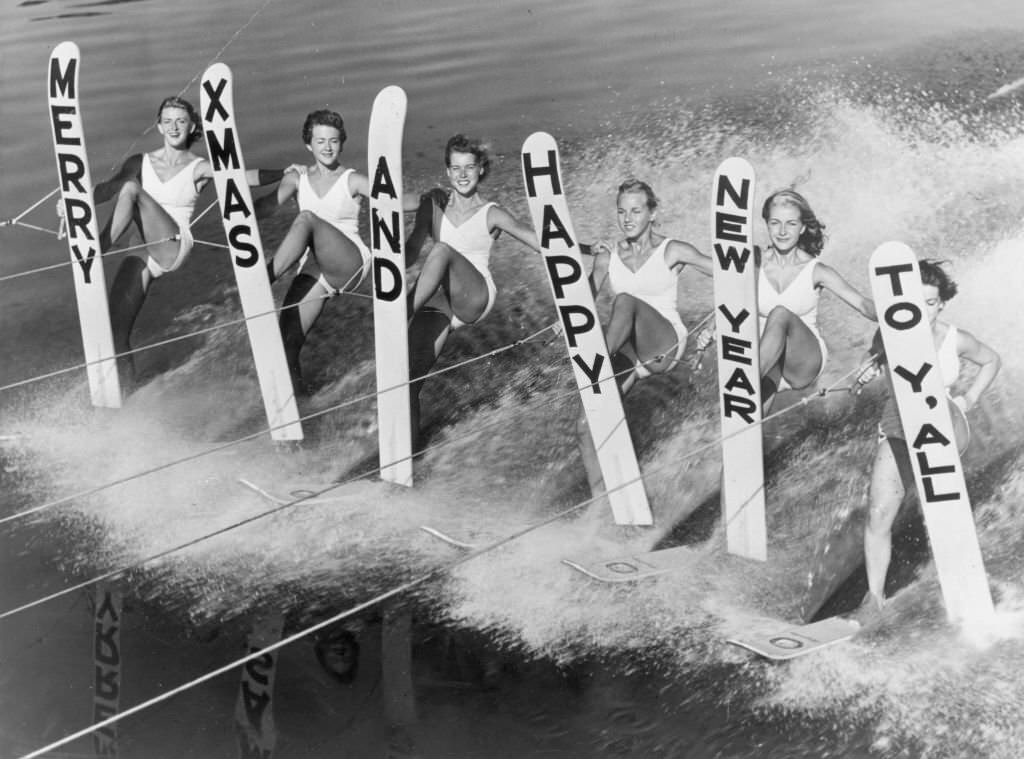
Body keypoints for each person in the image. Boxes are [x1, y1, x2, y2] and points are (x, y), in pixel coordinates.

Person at [59, 96, 290, 391]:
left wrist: (285, 172)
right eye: (167, 121)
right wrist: (72, 201)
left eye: (181, 121)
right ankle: (124, 396)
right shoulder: (139, 162)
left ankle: (97, 247)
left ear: (192, 125)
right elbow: (107, 190)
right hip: (142, 249)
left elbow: (244, 177)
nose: (174, 127)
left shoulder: (199, 167)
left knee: (132, 190)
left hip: (173, 244)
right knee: (115, 331)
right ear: (158, 126)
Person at [858, 259, 1000, 614]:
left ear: (942, 303)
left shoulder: (956, 339)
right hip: (899, 428)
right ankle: (873, 598)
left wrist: (969, 398)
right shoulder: (887, 335)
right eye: (915, 302)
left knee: (933, 404)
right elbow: (872, 360)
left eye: (931, 303)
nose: (923, 311)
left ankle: (965, 583)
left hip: (946, 423)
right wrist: (867, 369)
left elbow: (992, 360)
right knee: (878, 514)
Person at [264, 109, 419, 393]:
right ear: (308, 144)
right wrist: (231, 193)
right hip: (314, 270)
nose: (327, 147)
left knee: (306, 219)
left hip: (349, 262)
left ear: (342, 143)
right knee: (286, 342)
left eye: (334, 141)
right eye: (320, 141)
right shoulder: (296, 178)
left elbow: (397, 202)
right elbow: (264, 208)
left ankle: (263, 278)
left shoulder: (352, 180)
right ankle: (298, 401)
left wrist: (431, 198)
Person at [404, 133, 541, 448]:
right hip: (440, 297)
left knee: (441, 251)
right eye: (456, 168)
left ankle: (398, 314)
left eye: (470, 167)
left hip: (475, 295)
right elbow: (411, 251)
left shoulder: (491, 212)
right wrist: (387, 252)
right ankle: (408, 454)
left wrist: (587, 250)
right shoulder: (433, 203)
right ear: (448, 171)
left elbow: (535, 241)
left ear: (481, 169)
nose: (462, 174)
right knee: (408, 379)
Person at [697, 189, 876, 408]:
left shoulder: (816, 271)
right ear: (767, 224)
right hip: (766, 360)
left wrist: (900, 311)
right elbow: (730, 293)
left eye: (791, 224)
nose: (782, 231)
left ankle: (746, 382)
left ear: (802, 228)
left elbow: (863, 304)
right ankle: (751, 391)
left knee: (780, 314)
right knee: (749, 434)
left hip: (801, 361)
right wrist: (711, 329)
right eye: (775, 223)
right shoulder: (750, 260)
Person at [589, 179, 713, 394]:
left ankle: (596, 365)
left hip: (665, 344)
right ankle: (595, 369)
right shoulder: (607, 255)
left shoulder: (672, 250)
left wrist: (712, 326)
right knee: (590, 418)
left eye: (635, 211)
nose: (627, 219)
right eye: (621, 212)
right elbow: (581, 299)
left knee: (625, 301)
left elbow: (731, 277)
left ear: (652, 214)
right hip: (627, 348)